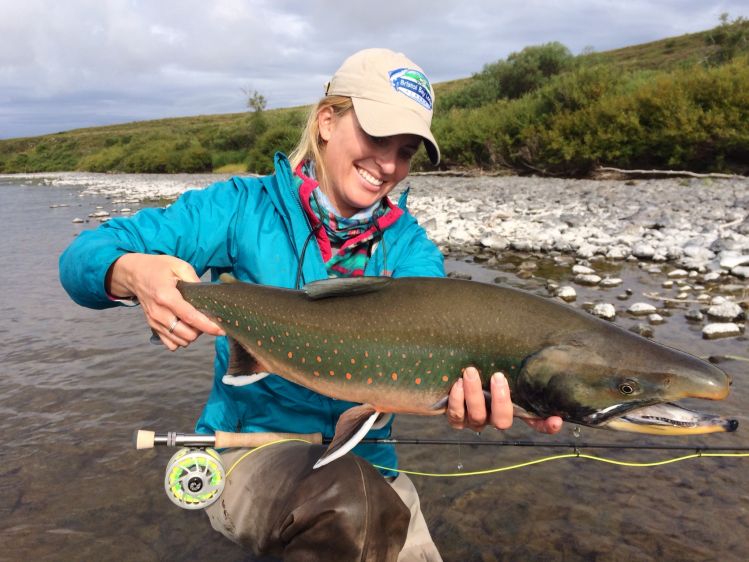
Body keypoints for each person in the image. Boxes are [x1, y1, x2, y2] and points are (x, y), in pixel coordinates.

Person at [60, 48, 562, 561]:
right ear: (326, 122)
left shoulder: (411, 251)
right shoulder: (239, 208)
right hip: (251, 453)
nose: (388, 164)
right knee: (349, 510)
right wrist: (131, 273)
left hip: (369, 466)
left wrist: (512, 393)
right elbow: (81, 259)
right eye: (376, 137)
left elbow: (449, 344)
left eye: (405, 150)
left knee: (361, 506)